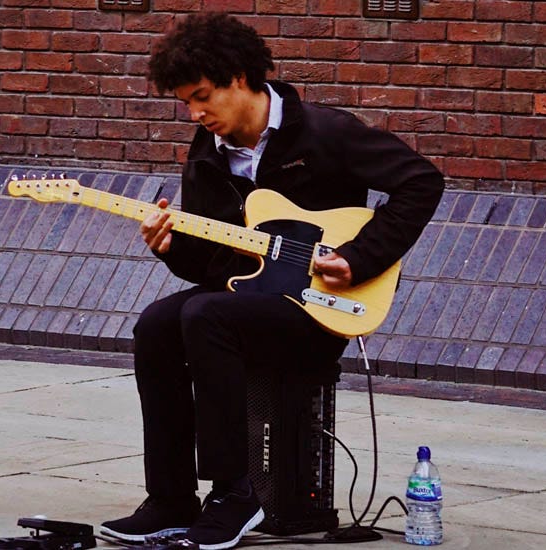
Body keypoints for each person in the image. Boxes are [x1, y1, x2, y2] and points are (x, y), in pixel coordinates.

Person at [99, 12, 445, 550]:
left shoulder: (325, 132)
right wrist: (170, 247)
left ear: (240, 77)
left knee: (203, 315)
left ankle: (236, 494)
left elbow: (422, 181)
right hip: (252, 297)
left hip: (320, 306)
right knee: (156, 324)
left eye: (203, 96)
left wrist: (360, 257)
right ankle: (169, 499)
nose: (195, 112)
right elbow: (215, 267)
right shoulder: (207, 152)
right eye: (185, 102)